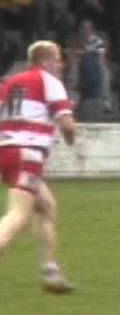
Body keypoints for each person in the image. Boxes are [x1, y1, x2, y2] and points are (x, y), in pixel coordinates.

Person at [0, 41, 77, 293]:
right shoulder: (49, 81)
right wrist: (70, 138)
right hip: (27, 153)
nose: (60, 64)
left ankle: (50, 271)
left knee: (46, 206)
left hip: (7, 150)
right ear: (45, 61)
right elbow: (66, 124)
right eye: (57, 59)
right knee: (19, 215)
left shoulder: (11, 82)